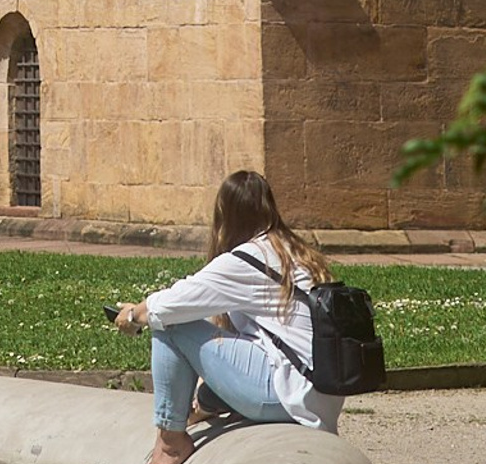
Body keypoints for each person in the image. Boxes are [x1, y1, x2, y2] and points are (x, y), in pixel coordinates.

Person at [112, 169, 343, 459]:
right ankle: (207, 404)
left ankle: (171, 443)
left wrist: (132, 315)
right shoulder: (295, 252)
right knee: (185, 327)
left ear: (225, 215)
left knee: (169, 325)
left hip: (285, 394)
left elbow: (168, 307)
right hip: (319, 397)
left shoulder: (248, 258)